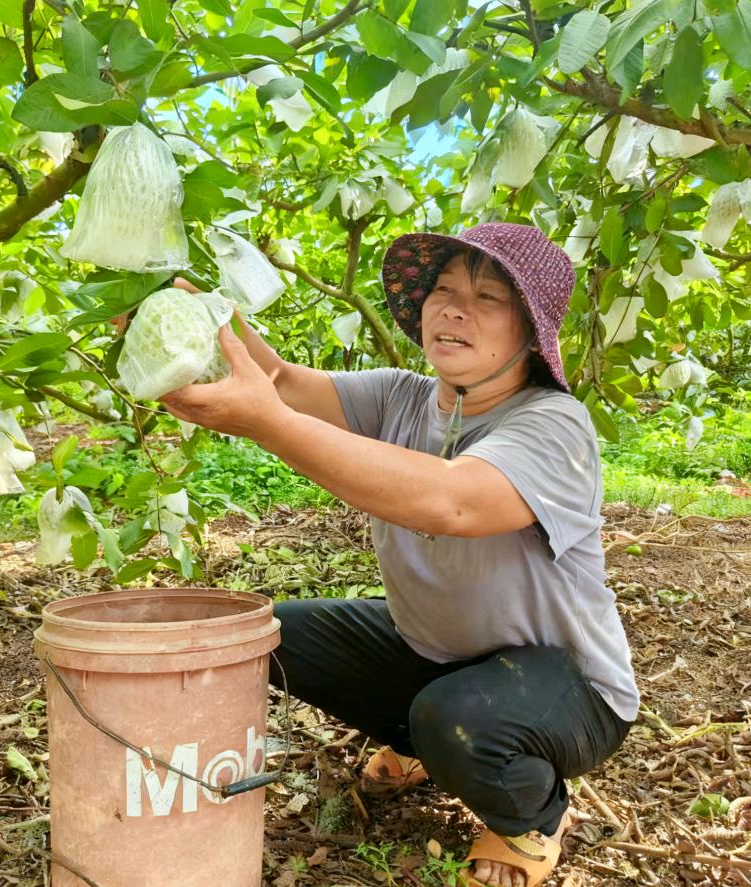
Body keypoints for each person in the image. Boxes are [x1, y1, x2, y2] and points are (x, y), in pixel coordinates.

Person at [160, 222, 639, 887]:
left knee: (455, 717)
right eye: (442, 290)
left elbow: (452, 501)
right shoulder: (401, 397)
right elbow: (275, 378)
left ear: (530, 332)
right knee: (268, 634)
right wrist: (178, 312)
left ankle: (533, 815)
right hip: (439, 653)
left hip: (569, 686)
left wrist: (266, 421)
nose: (452, 306)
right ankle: (426, 743)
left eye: (487, 297)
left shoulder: (552, 421)